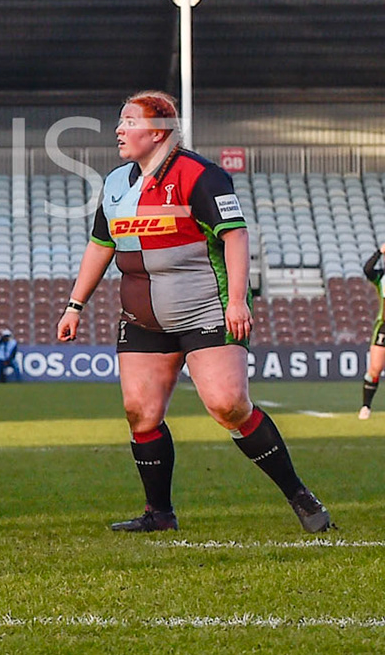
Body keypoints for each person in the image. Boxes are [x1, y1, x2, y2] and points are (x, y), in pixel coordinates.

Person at [58, 90, 332, 535]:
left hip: (207, 312)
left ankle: (299, 495)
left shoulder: (201, 175)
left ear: (159, 131)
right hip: (144, 320)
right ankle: (159, 514)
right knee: (140, 413)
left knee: (228, 406)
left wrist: (238, 300)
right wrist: (75, 305)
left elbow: (235, 236)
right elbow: (100, 246)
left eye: (129, 121)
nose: (118, 129)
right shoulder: (113, 184)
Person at [359, 244, 384, 419]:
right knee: (375, 368)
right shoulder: (382, 277)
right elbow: (368, 269)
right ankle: (366, 407)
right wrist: (379, 252)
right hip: (384, 326)